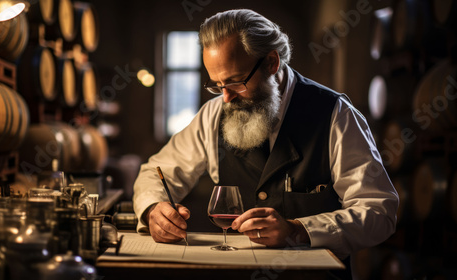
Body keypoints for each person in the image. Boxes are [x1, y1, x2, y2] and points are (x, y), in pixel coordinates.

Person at [133, 8, 398, 277]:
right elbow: (154, 174)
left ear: (272, 62)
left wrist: (298, 230)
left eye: (235, 82)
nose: (225, 99)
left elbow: (378, 212)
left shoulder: (336, 115)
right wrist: (154, 210)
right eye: (217, 85)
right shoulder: (212, 115)